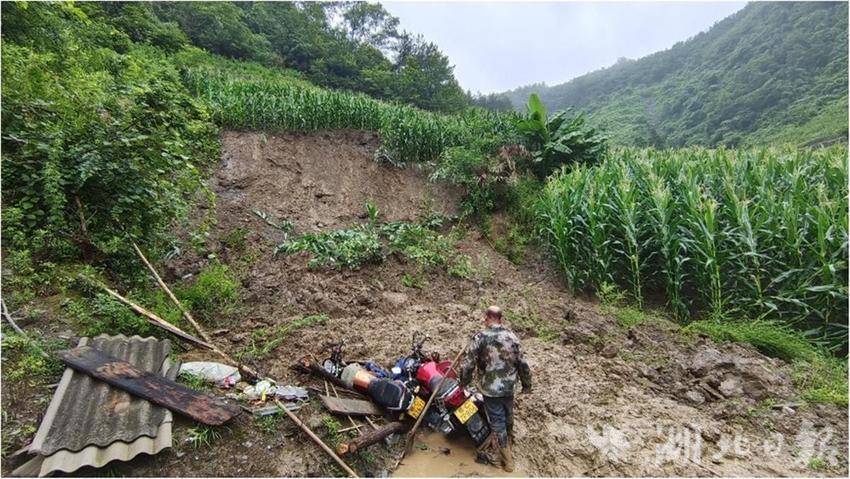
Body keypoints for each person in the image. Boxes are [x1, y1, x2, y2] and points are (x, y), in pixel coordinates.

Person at [458, 305, 532, 473]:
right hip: (508, 386)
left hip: (491, 389)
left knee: (497, 422)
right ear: (501, 319)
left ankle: (507, 461)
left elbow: (468, 364)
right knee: (508, 414)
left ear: (487, 318)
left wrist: (464, 382)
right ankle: (510, 442)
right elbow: (523, 363)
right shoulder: (512, 337)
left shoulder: (480, 337)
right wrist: (527, 385)